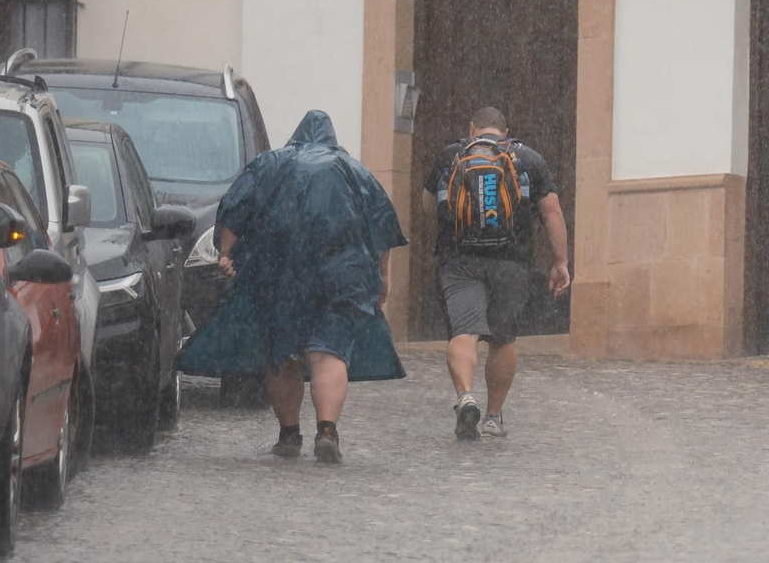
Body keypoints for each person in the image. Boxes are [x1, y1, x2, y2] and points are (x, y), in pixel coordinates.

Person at [177, 111, 408, 463]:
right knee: (328, 352)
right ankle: (326, 431)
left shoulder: (269, 164)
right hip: (342, 274)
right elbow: (382, 224)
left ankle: (288, 433)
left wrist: (226, 252)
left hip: (279, 273)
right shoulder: (354, 170)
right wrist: (383, 274)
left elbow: (235, 208)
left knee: (282, 353)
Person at [419, 107, 569, 440]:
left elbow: (428, 205)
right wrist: (560, 262)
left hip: (460, 260)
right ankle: (493, 417)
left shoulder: (451, 154)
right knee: (503, 339)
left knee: (464, 332)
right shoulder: (528, 158)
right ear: (506, 131)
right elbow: (552, 211)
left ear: (472, 128)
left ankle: (465, 395)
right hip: (511, 262)